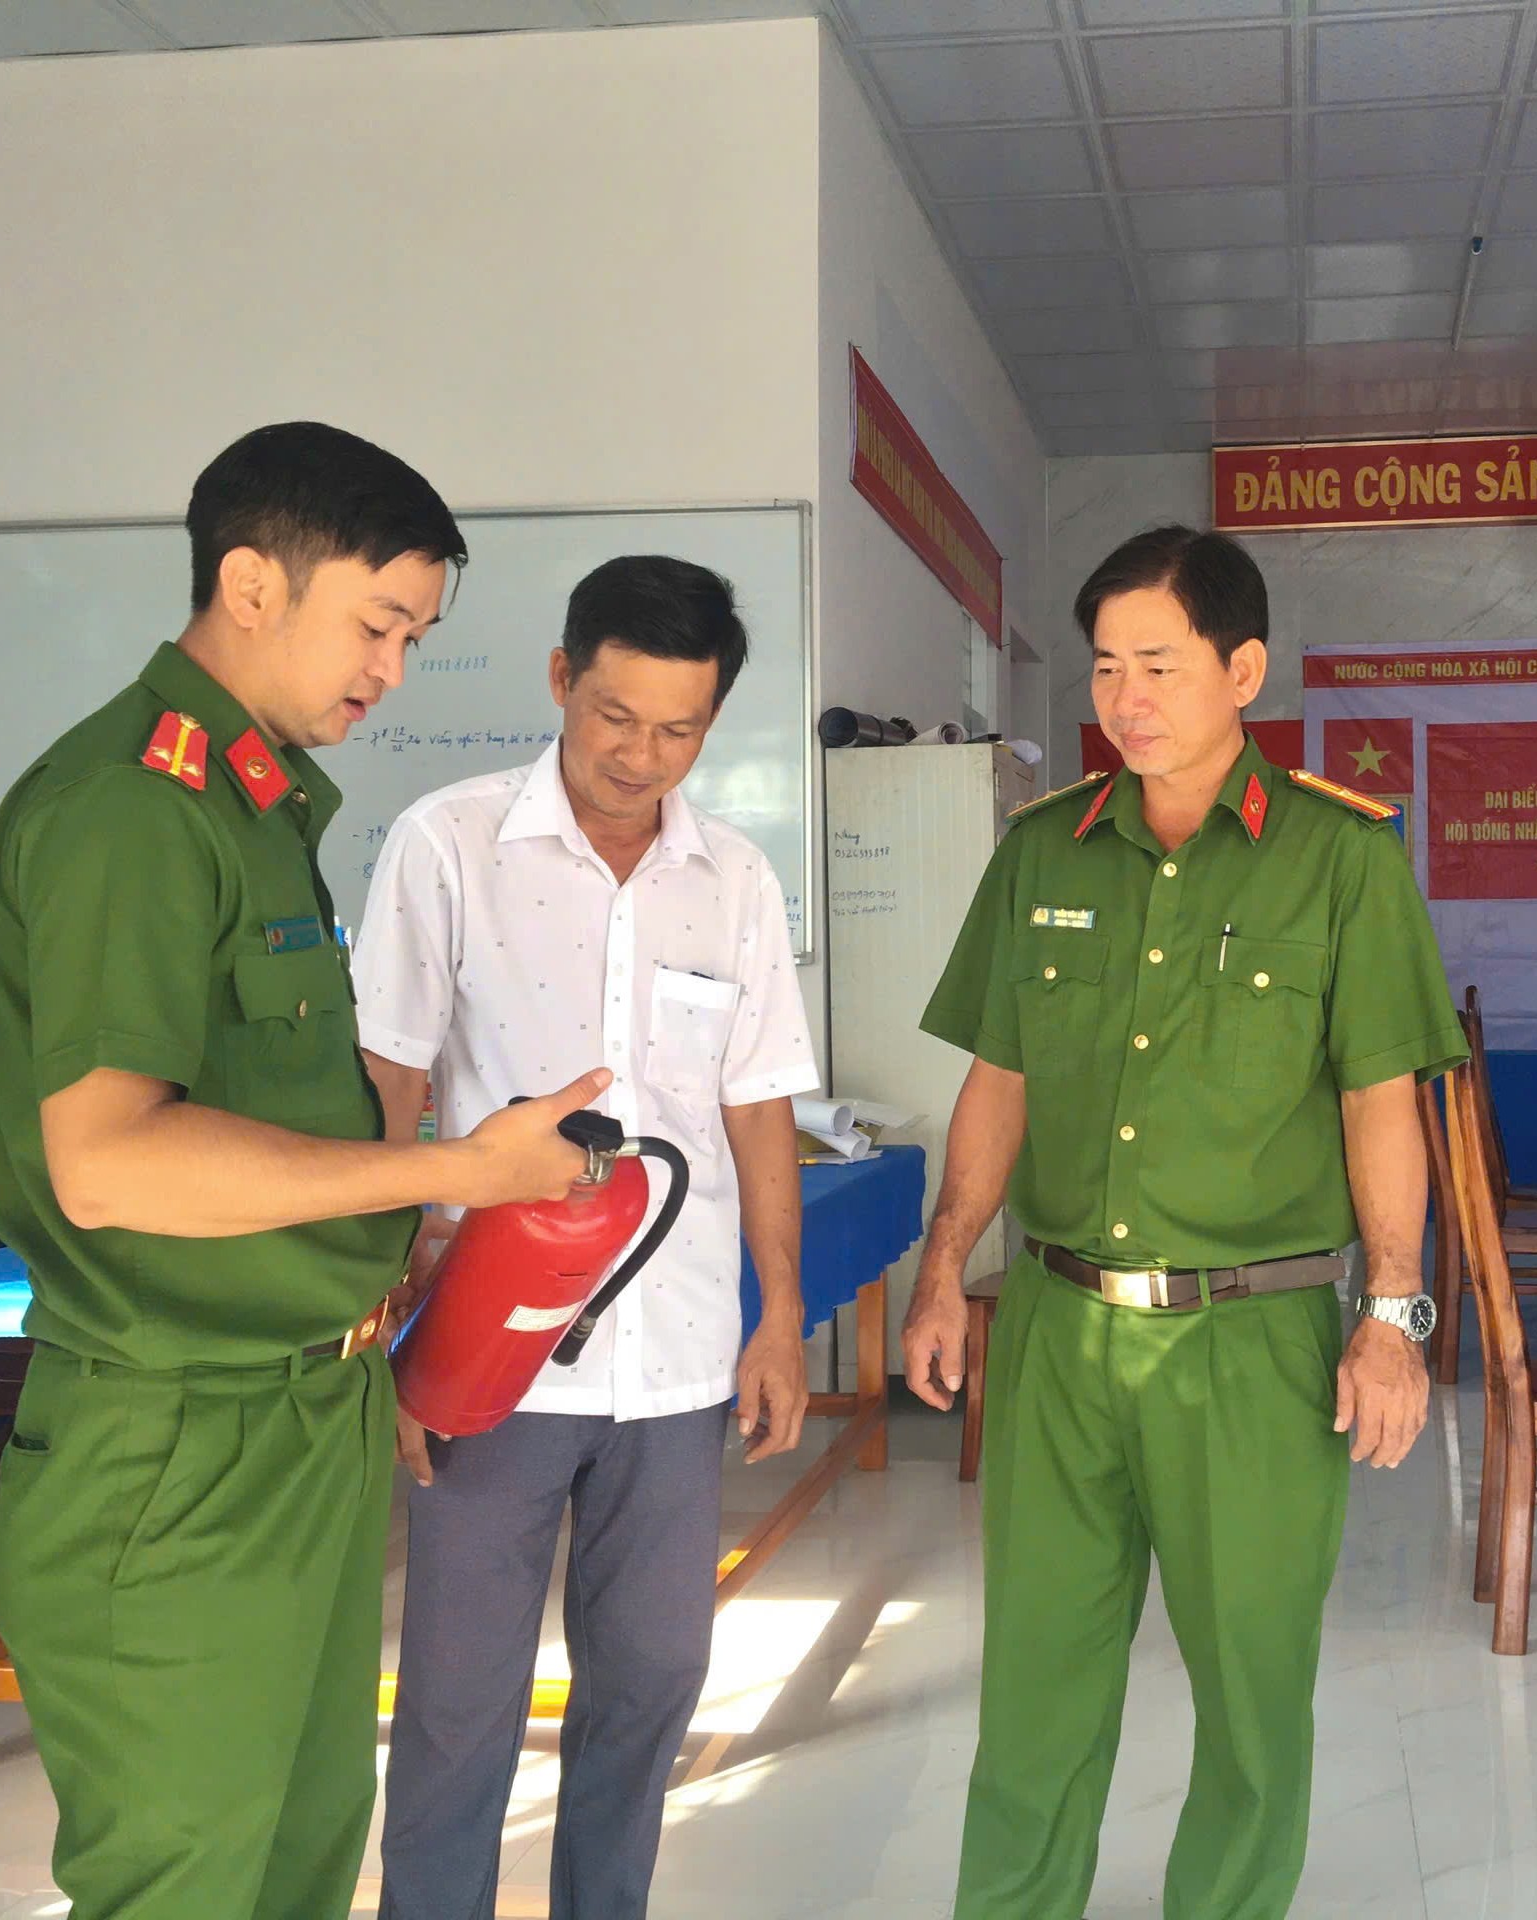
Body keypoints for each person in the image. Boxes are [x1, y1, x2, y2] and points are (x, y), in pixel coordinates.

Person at [0, 420, 607, 1920]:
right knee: (192, 1878)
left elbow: (274, 1117)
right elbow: (108, 1162)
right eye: (377, 624)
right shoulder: (133, 811)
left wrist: (408, 1245)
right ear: (253, 583)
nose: (393, 669)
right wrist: (454, 1170)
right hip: (176, 1441)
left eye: (415, 637)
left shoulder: (258, 810)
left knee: (304, 1858)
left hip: (306, 1414)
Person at [902, 524, 1464, 1920]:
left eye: (1160, 664)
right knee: (1035, 1684)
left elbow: (1381, 1103)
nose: (1126, 697)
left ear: (1244, 671)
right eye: (1106, 666)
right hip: (1058, 1329)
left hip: (1252, 1341)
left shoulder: (1339, 859)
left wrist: (1393, 1316)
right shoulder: (1044, 852)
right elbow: (998, 1082)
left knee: (1252, 1692)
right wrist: (942, 1271)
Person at [354, 553, 819, 1920]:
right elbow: (389, 1083)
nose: (641, 755)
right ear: (562, 679)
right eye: (615, 715)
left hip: (674, 1358)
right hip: (486, 1349)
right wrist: (386, 1310)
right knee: (458, 1701)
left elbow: (758, 1111)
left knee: (654, 1683)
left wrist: (780, 1318)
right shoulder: (447, 844)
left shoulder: (735, 879)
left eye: (679, 729)